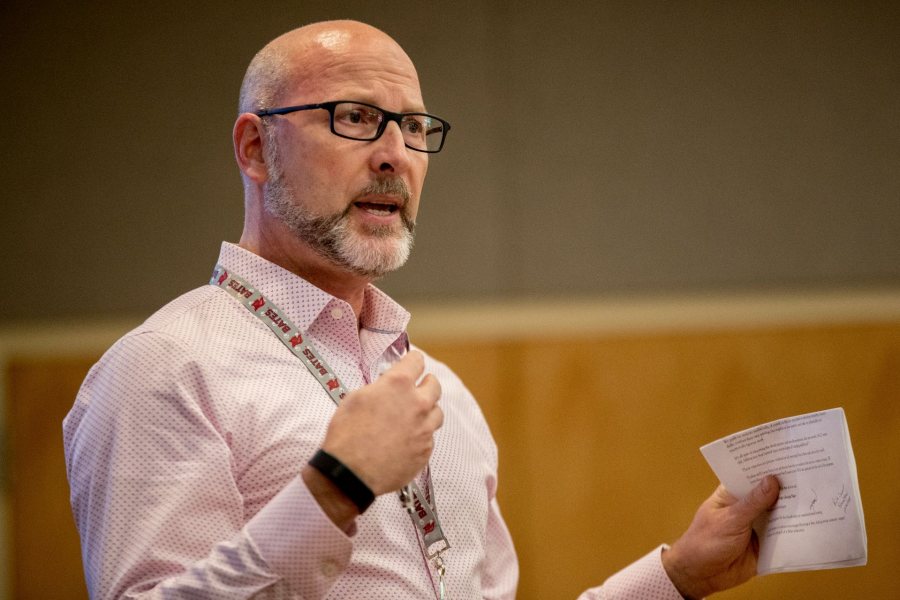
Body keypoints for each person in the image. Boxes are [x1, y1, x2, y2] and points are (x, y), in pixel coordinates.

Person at [63, 20, 779, 599]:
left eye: (412, 127)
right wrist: (332, 490)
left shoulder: (442, 394)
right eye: (355, 118)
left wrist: (675, 578)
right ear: (257, 147)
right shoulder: (163, 368)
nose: (393, 155)